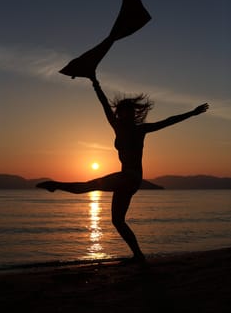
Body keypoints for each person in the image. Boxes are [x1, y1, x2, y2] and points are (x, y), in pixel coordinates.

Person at [37, 76, 209, 262]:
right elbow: (104, 104)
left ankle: (55, 185)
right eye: (122, 111)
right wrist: (95, 83)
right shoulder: (117, 126)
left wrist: (192, 113)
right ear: (120, 113)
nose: (123, 114)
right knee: (117, 221)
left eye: (127, 111)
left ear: (131, 113)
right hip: (127, 180)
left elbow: (167, 121)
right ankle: (138, 255)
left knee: (89, 185)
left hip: (130, 176)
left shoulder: (140, 129)